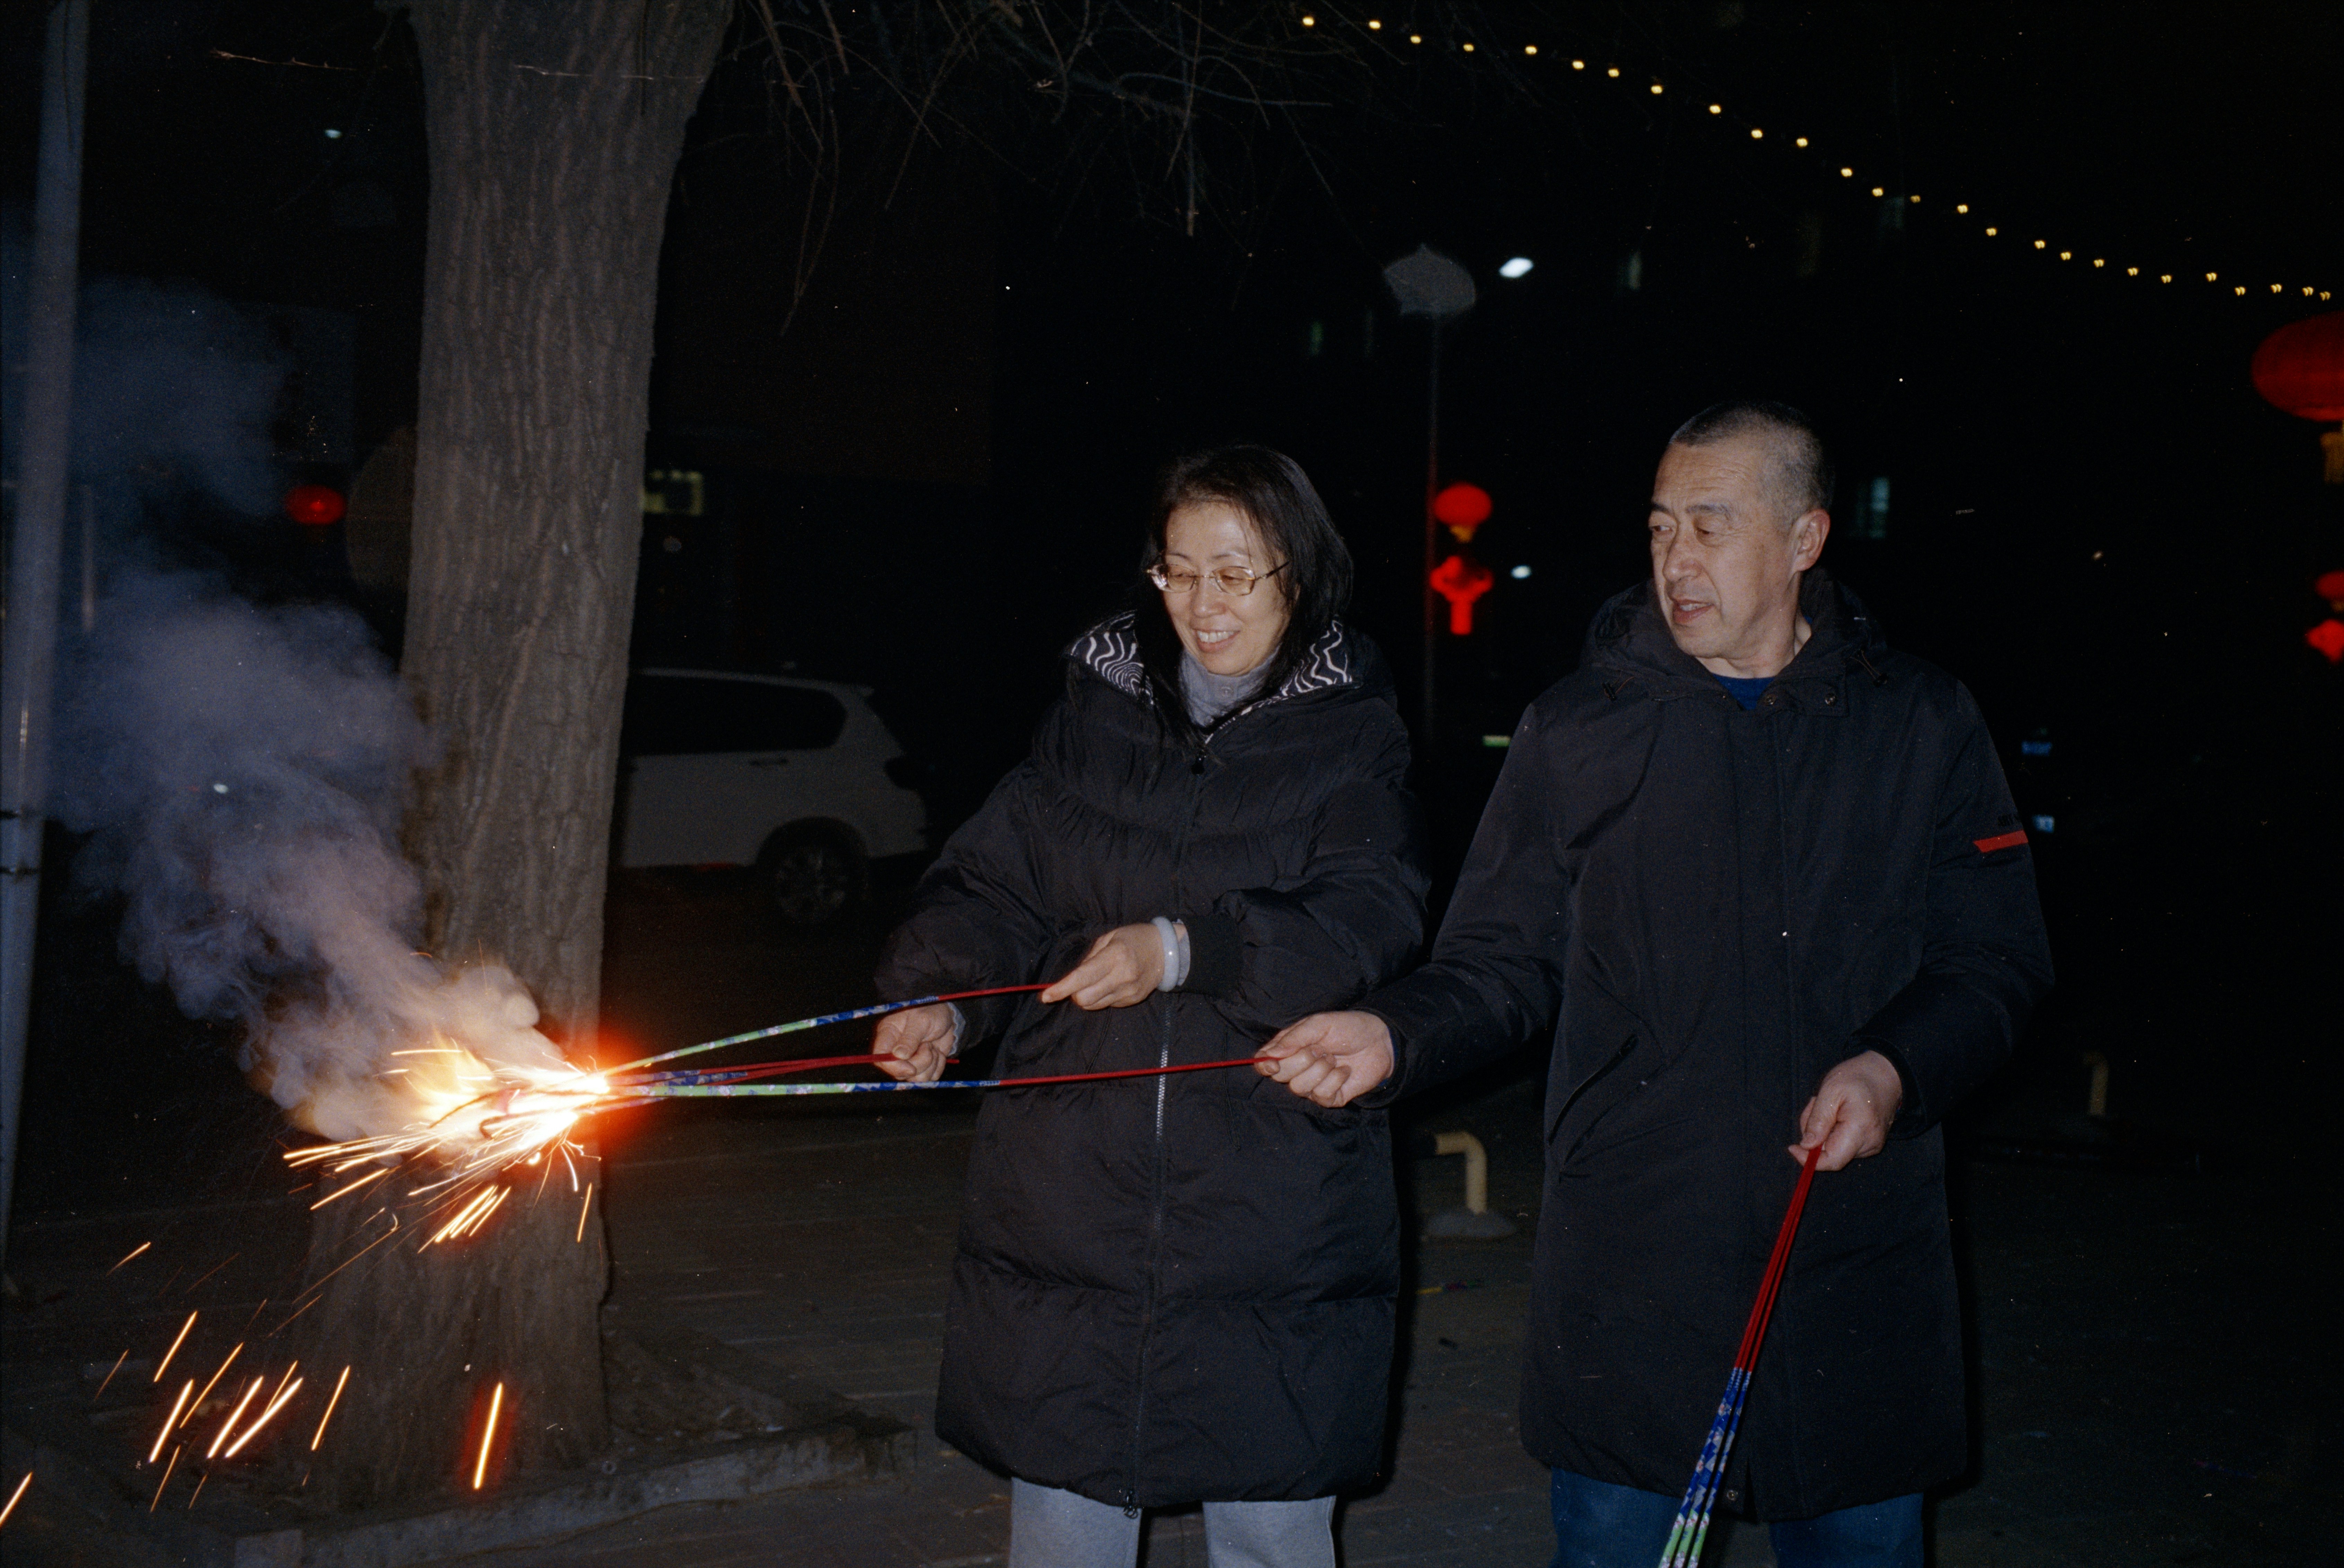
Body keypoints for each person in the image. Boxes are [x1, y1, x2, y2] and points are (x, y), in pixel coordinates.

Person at [1260, 402, 2053, 1567]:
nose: (1677, 560)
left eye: (1712, 526)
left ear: (1805, 539)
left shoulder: (1919, 720)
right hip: (1637, 1257)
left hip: (1849, 1250)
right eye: (1659, 527)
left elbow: (1994, 958)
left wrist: (1891, 1069)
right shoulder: (1577, 730)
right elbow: (1499, 957)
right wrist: (1393, 1031)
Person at [871, 444, 1428, 1568]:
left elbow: (1370, 912)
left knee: (1270, 1519)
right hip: (1072, 1187)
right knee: (1067, 1505)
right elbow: (995, 884)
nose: (1201, 605)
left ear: (1296, 577)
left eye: (1235, 575)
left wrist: (1188, 949)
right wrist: (943, 999)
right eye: (1178, 572)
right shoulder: (1092, 717)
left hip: (1270, 1193)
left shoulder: (1351, 734)